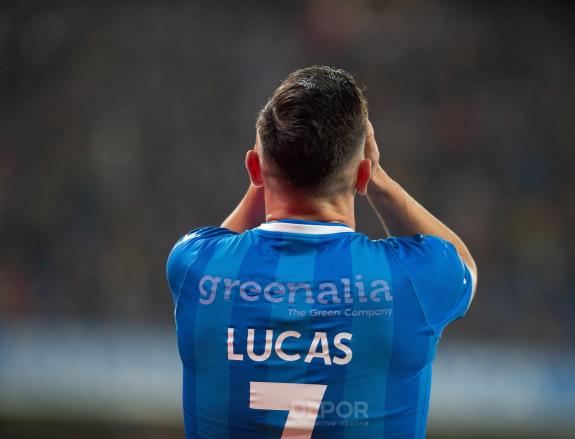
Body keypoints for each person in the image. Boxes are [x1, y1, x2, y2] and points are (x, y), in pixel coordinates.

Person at [166, 65, 477, 439]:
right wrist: (379, 179)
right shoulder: (410, 280)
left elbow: (215, 243)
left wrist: (270, 169)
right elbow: (464, 265)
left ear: (255, 169)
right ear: (362, 175)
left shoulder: (194, 269)